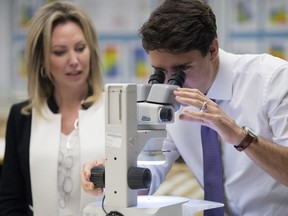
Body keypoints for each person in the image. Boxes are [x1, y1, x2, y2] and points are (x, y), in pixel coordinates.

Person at [82, 0, 288, 215]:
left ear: (212, 49)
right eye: (160, 71)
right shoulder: (169, 101)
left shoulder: (272, 79)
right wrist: (113, 177)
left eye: (182, 70)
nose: (172, 82)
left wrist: (239, 136)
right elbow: (149, 176)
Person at [0, 1, 105, 215]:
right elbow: (10, 200)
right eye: (60, 52)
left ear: (91, 52)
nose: (74, 60)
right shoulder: (23, 117)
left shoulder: (115, 110)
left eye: (80, 48)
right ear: (42, 61)